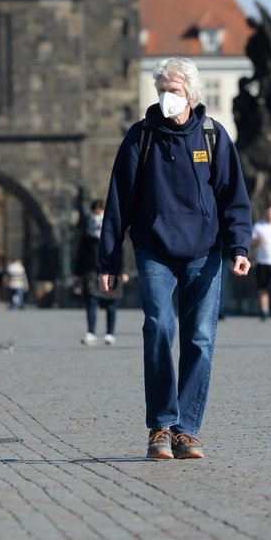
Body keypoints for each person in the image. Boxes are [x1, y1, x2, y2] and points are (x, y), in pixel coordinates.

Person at [98, 57, 252, 460]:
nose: (167, 96)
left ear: (191, 95)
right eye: (162, 88)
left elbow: (233, 196)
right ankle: (161, 426)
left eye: (175, 90)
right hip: (154, 250)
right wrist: (108, 261)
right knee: (158, 328)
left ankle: (187, 430)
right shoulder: (139, 137)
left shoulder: (212, 136)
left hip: (204, 250)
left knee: (199, 339)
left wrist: (239, 247)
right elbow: (119, 203)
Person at [76, 200, 128, 346]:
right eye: (95, 211)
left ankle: (110, 333)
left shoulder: (113, 229)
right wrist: (78, 273)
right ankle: (91, 332)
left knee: (111, 303)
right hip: (91, 271)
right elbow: (81, 254)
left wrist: (123, 270)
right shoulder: (87, 232)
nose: (97, 215)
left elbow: (121, 251)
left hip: (112, 269)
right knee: (91, 301)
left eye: (99, 211)